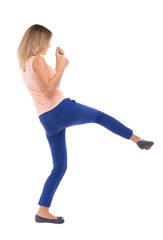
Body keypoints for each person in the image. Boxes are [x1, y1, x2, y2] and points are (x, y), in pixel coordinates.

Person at [17, 24, 154, 224]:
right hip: (59, 110)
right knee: (100, 117)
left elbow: (46, 84)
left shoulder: (25, 64)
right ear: (39, 40)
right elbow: (49, 89)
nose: (48, 45)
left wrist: (57, 61)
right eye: (47, 41)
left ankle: (42, 210)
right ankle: (137, 139)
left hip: (46, 120)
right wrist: (63, 65)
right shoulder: (37, 59)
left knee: (60, 166)